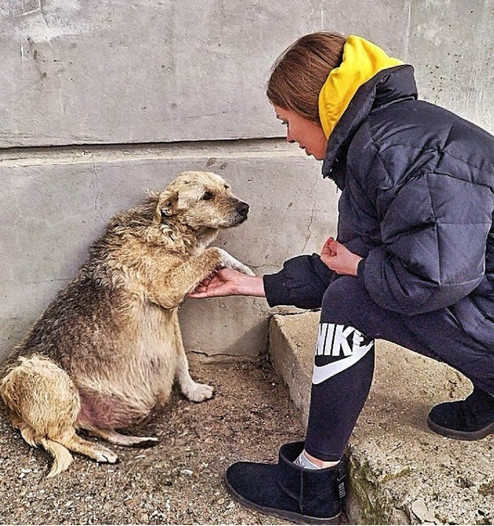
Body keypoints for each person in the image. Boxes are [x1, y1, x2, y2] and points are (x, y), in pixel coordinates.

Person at [189, 31, 494, 524]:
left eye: (287, 122)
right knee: (354, 285)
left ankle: (312, 479)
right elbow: (350, 261)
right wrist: (255, 285)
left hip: (472, 296)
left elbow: (435, 279)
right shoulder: (384, 140)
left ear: (319, 110)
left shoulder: (394, 151)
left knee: (351, 302)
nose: (289, 136)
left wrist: (362, 269)